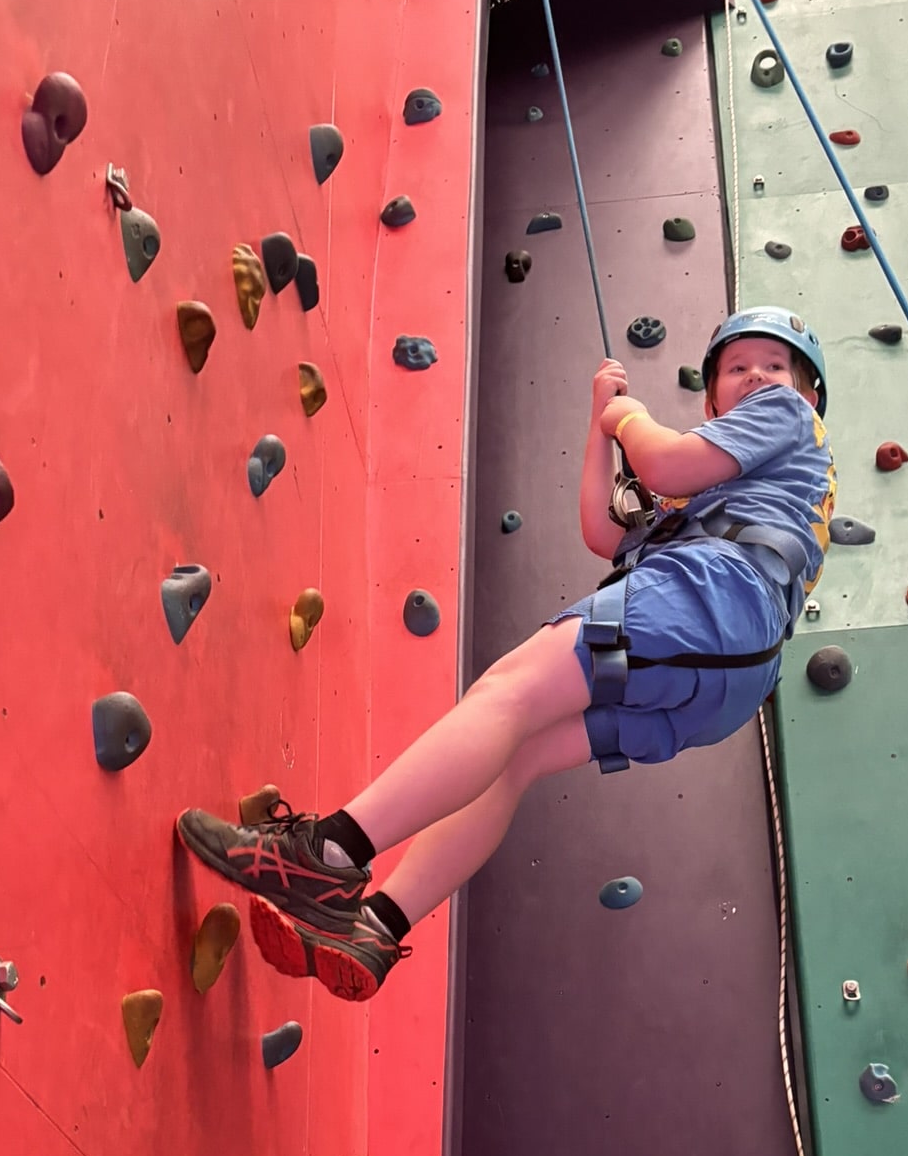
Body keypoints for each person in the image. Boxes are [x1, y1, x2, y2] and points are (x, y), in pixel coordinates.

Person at [175, 305, 836, 1000]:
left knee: (508, 691)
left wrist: (626, 421)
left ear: (808, 392)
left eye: (776, 366)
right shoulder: (734, 493)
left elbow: (665, 459)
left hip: (710, 605)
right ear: (713, 399)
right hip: (722, 679)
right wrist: (597, 422)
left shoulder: (785, 419)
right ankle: (373, 924)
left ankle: (324, 854)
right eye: (738, 368)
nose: (759, 376)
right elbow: (604, 532)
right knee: (514, 757)